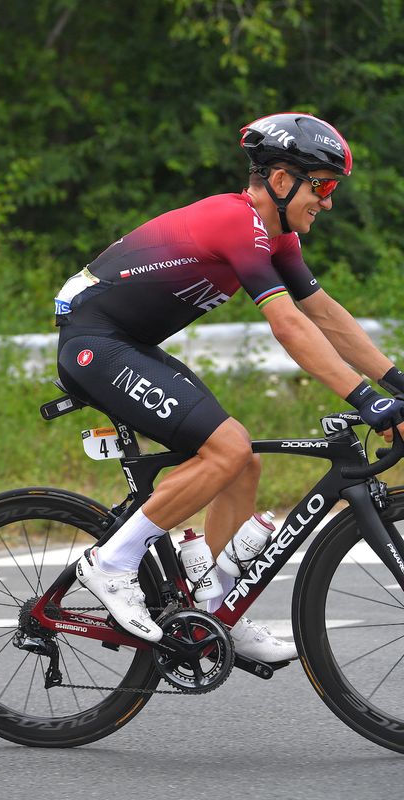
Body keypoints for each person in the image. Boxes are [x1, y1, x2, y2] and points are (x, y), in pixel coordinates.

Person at [52, 112, 404, 661]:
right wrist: (364, 399)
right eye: (324, 186)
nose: (329, 202)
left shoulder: (277, 238)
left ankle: (212, 607)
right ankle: (112, 563)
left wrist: (393, 381)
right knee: (229, 448)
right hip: (95, 342)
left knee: (243, 461)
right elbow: (288, 325)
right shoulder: (238, 222)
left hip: (129, 343)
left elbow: (325, 315)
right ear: (283, 180)